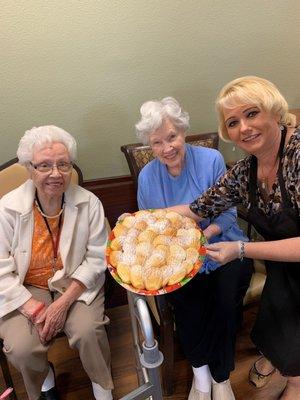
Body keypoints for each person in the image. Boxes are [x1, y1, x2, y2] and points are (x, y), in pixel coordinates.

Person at [169, 76, 300, 400]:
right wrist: (140, 223)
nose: (244, 127)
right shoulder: (244, 173)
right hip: (285, 271)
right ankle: (274, 360)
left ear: (274, 111)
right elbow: (198, 208)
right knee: (275, 330)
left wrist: (241, 249)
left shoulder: (298, 157)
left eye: (251, 113)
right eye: (233, 122)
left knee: (296, 371)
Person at [135, 97, 253, 400]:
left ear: (183, 132)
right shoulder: (148, 176)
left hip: (224, 244)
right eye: (157, 142)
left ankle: (221, 376)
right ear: (150, 145)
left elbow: (227, 213)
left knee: (226, 301)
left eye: (172, 137)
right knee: (188, 305)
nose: (167, 148)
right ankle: (200, 375)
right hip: (179, 259)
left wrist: (205, 236)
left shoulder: (211, 159)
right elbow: (152, 227)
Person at [0, 126, 114, 400]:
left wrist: (61, 305)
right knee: (22, 347)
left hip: (74, 283)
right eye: (44, 165)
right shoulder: (7, 208)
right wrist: (34, 309)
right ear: (30, 168)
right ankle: (45, 379)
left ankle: (102, 386)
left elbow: (98, 257)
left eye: (63, 164)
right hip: (24, 287)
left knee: (89, 332)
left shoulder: (90, 203)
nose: (55, 173)